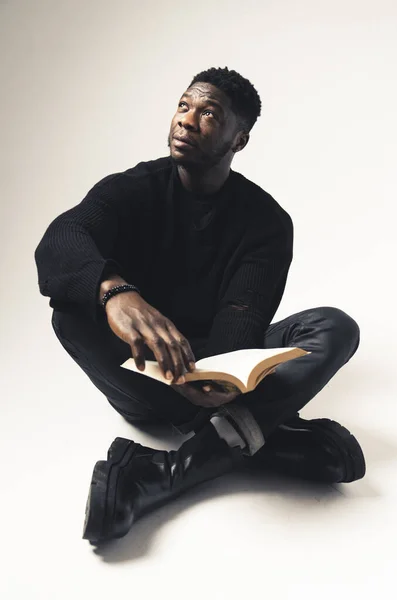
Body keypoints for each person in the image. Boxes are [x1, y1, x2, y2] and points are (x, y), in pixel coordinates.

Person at [34, 66, 365, 545]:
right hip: (143, 374)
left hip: (213, 361)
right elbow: (62, 238)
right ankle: (271, 442)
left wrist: (214, 380)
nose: (187, 121)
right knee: (69, 311)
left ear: (240, 139)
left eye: (209, 113)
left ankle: (158, 474)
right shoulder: (131, 189)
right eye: (184, 106)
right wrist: (115, 292)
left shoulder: (267, 222)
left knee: (334, 327)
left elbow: (242, 319)